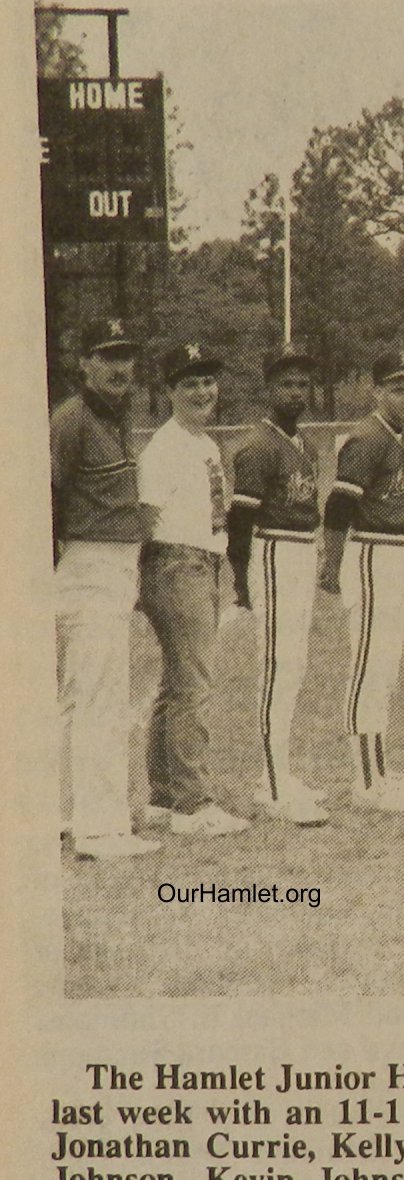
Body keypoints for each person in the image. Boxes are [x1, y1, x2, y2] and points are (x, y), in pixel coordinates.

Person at [53, 319, 158, 858]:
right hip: (88, 563)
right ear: (84, 364)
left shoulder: (116, 416)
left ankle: (65, 813)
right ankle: (100, 828)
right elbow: (45, 494)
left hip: (113, 564)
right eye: (106, 355)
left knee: (79, 695)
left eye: (126, 355)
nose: (120, 366)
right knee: (101, 698)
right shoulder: (71, 419)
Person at [135, 343, 250, 838]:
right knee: (193, 686)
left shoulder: (203, 443)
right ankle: (191, 803)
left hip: (201, 561)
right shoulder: (164, 447)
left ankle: (163, 796)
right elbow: (146, 519)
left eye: (208, 381)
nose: (203, 391)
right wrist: (144, 578)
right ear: (170, 392)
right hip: (176, 562)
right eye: (190, 384)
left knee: (176, 682)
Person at [320, 348, 404, 814]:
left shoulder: (402, 440)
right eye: (396, 388)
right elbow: (338, 508)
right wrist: (332, 567)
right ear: (376, 390)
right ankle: (366, 782)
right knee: (369, 666)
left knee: (384, 667)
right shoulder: (367, 438)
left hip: (393, 552)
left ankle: (378, 769)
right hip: (368, 551)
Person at [227, 343, 330, 826]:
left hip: (301, 550)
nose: (296, 391)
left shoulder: (306, 444)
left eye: (303, 383)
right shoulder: (257, 446)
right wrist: (244, 582)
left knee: (297, 663)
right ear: (269, 389)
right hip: (271, 551)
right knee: (278, 664)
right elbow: (240, 521)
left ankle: (281, 772)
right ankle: (271, 784)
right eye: (286, 383)